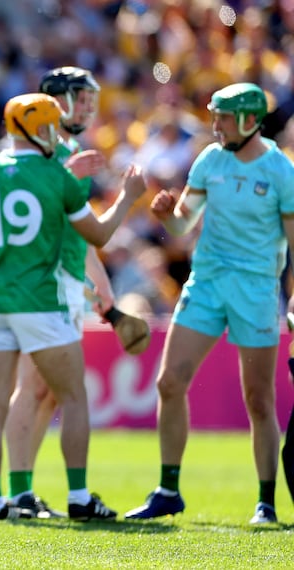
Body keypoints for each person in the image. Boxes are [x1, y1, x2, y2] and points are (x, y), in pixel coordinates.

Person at [0, 92, 146, 521]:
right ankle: (78, 496)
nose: (57, 133)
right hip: (44, 304)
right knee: (73, 398)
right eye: (52, 125)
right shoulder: (57, 176)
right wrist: (128, 197)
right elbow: (99, 235)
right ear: (38, 129)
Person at [124, 82, 294, 524]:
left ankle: (266, 502)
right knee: (169, 382)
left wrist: (293, 297)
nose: (214, 125)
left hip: (256, 289)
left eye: (221, 117)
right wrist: (166, 215)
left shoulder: (280, 171)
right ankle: (168, 489)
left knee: (259, 400)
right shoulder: (209, 160)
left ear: (248, 121)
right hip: (206, 283)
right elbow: (183, 226)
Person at [3, 66, 116, 519]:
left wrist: (97, 282)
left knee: (47, 392)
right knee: (33, 387)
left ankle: (21, 491)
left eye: (90, 99)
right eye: (79, 98)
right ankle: (17, 494)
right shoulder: (38, 151)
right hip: (39, 285)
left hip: (64, 280)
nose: (87, 107)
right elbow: (28, 211)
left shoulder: (66, 152)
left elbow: (76, 230)